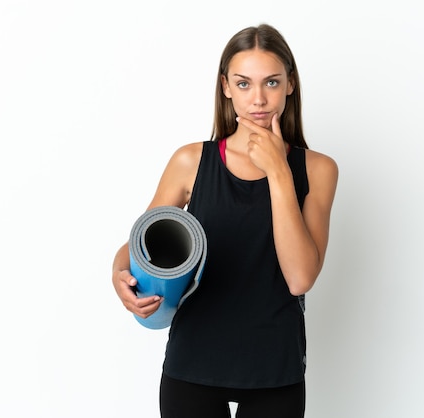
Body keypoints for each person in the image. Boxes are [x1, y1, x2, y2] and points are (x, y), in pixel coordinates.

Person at [111, 23, 338, 418]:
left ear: (290, 84)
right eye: (244, 84)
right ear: (226, 87)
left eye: (271, 82)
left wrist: (278, 172)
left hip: (274, 368)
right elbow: (141, 246)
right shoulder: (190, 161)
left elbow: (300, 278)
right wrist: (119, 273)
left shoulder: (318, 170)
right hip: (193, 362)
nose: (259, 99)